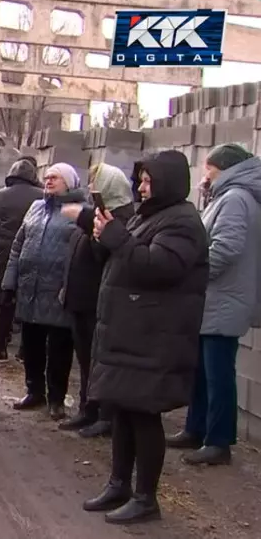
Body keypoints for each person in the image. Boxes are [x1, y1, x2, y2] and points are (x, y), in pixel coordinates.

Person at [82, 150, 208, 524]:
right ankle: (118, 483)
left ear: (168, 182)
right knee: (122, 408)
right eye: (141, 179)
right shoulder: (149, 216)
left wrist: (118, 238)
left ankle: (145, 497)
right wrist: (104, 235)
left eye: (149, 180)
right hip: (132, 331)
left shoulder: (183, 222)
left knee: (144, 414)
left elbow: (160, 267)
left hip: (156, 335)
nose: (141, 186)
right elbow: (126, 259)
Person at [168, 144, 261, 466]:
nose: (203, 176)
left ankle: (218, 441)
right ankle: (196, 429)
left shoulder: (235, 198)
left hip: (224, 299)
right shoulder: (226, 196)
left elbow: (226, 248)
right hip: (214, 299)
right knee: (202, 370)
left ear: (222, 168)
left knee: (218, 373)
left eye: (207, 169)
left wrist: (196, 274)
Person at [0, 163, 84, 421]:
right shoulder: (36, 207)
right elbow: (18, 245)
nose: (48, 181)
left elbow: (82, 254)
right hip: (31, 288)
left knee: (59, 348)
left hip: (58, 291)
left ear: (68, 183)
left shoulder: (79, 211)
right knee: (32, 344)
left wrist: (71, 288)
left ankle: (56, 399)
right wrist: (9, 282)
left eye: (55, 178)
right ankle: (34, 391)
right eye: (46, 177)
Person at [59, 163, 135, 437]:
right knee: (86, 360)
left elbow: (101, 252)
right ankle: (88, 408)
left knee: (101, 361)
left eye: (95, 183)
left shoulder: (121, 218)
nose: (91, 189)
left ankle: (106, 415)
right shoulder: (101, 213)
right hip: (82, 298)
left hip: (99, 301)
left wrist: (86, 218)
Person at [0, 156, 42, 363]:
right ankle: (24, 350)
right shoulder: (42, 196)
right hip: (31, 251)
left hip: (2, 252)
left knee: (4, 300)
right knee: (27, 299)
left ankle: (1, 346)